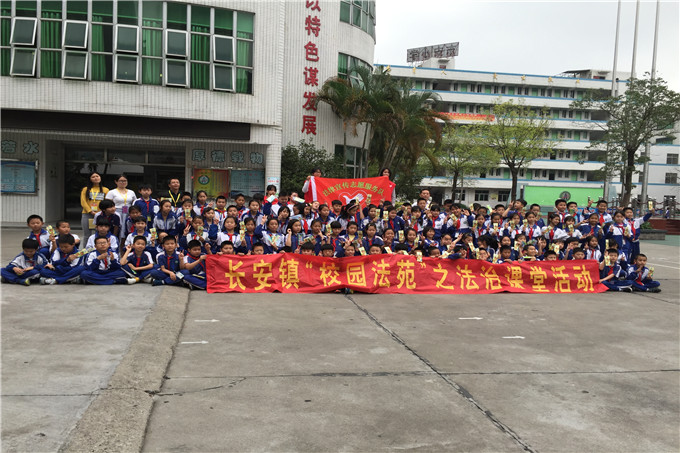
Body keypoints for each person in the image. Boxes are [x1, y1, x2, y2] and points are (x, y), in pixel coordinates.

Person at [105, 174, 138, 240]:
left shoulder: (131, 192)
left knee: (127, 228)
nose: (123, 182)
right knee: (118, 228)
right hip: (116, 211)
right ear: (116, 182)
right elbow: (108, 204)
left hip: (128, 212)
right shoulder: (111, 192)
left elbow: (134, 203)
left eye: (125, 181)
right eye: (121, 181)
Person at [80, 171, 109, 245]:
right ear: (90, 179)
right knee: (87, 235)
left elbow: (107, 202)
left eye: (97, 176)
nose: (96, 178)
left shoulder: (105, 190)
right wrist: (90, 211)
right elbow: (83, 202)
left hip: (100, 214)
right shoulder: (85, 189)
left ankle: (98, 249)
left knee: (99, 234)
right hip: (87, 214)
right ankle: (86, 250)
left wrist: (101, 212)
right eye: (93, 177)